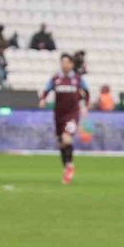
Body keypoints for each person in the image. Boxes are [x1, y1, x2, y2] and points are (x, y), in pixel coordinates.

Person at [39, 53, 89, 184]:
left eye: (67, 62)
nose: (64, 65)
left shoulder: (78, 79)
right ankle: (67, 166)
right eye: (62, 62)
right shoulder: (56, 78)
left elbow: (87, 92)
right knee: (61, 143)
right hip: (59, 114)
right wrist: (43, 100)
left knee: (67, 138)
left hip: (72, 114)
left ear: (72, 64)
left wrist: (85, 106)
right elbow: (46, 90)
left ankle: (70, 165)